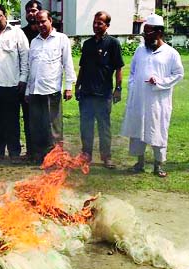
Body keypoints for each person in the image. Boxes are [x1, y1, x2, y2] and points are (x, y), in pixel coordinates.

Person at [121, 14, 184, 177]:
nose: (145, 36)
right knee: (138, 131)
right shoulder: (140, 50)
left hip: (158, 101)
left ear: (159, 32)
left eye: (148, 33)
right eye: (144, 33)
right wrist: (133, 86)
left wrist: (159, 82)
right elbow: (133, 71)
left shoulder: (171, 53)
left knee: (158, 131)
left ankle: (158, 165)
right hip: (139, 99)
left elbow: (178, 74)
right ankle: (139, 163)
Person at [75, 11, 124, 169]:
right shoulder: (87, 44)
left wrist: (118, 88)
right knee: (86, 127)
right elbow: (82, 67)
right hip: (87, 93)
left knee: (104, 127)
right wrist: (77, 86)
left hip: (103, 94)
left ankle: (106, 157)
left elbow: (119, 68)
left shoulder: (113, 44)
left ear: (107, 25)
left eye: (100, 23)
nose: (96, 26)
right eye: (95, 22)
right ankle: (86, 155)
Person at [0, 4, 29, 164]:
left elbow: (25, 58)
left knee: (12, 120)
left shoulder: (17, 33)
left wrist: (23, 79)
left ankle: (15, 152)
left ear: (5, 15)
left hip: (12, 85)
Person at [26, 10, 76, 163]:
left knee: (53, 128)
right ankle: (38, 156)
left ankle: (55, 159)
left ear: (50, 21)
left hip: (51, 91)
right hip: (35, 91)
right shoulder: (34, 42)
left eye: (43, 21)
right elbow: (30, 67)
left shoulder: (61, 39)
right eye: (37, 22)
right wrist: (28, 90)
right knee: (36, 126)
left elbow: (68, 64)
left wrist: (68, 86)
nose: (40, 25)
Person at [21, 0, 42, 161]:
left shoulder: (47, 31)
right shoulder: (21, 33)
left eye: (34, 10)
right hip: (27, 83)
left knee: (45, 120)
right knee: (29, 119)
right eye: (28, 11)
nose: (31, 14)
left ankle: (46, 152)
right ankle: (30, 151)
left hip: (45, 84)